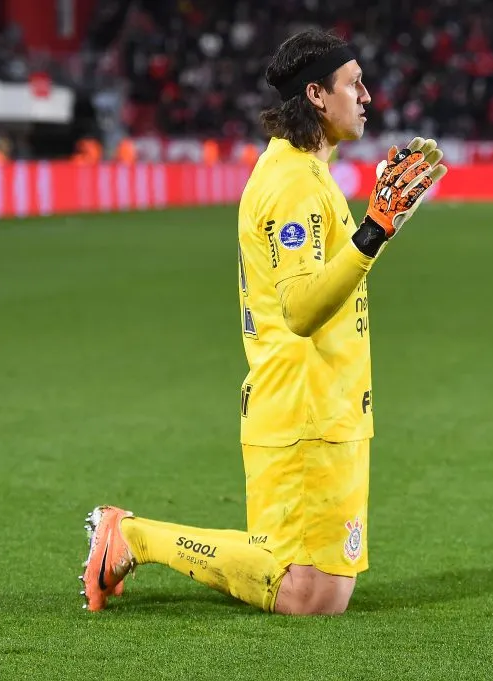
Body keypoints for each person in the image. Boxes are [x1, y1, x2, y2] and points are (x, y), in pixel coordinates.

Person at [78, 28, 447, 616]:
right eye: (354, 84)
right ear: (317, 96)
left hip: (332, 402)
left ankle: (133, 538)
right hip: (301, 407)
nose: (368, 96)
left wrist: (375, 228)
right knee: (309, 594)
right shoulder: (290, 183)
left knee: (322, 590)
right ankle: (133, 537)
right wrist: (374, 228)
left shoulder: (308, 174)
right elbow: (300, 309)